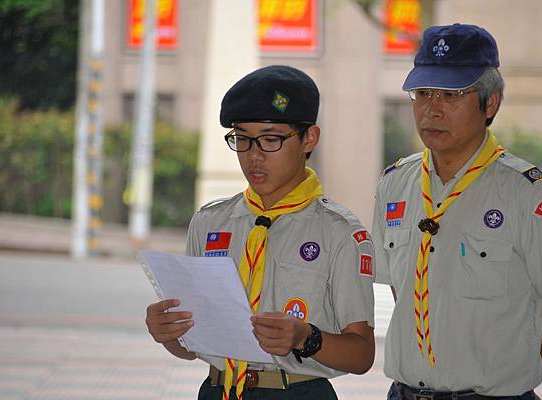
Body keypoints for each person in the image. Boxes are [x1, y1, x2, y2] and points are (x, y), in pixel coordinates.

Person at [371, 23, 542, 400]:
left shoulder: (530, 197)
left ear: (491, 103)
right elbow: (402, 290)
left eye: (452, 94)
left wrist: (508, 374)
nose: (432, 109)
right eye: (422, 93)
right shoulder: (394, 185)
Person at [145, 65, 375, 400]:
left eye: (270, 139)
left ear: (309, 138)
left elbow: (362, 354)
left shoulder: (339, 233)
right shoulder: (210, 223)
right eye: (242, 139)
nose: (254, 156)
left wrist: (304, 337)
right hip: (217, 390)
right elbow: (193, 346)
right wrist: (169, 334)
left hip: (297, 392)